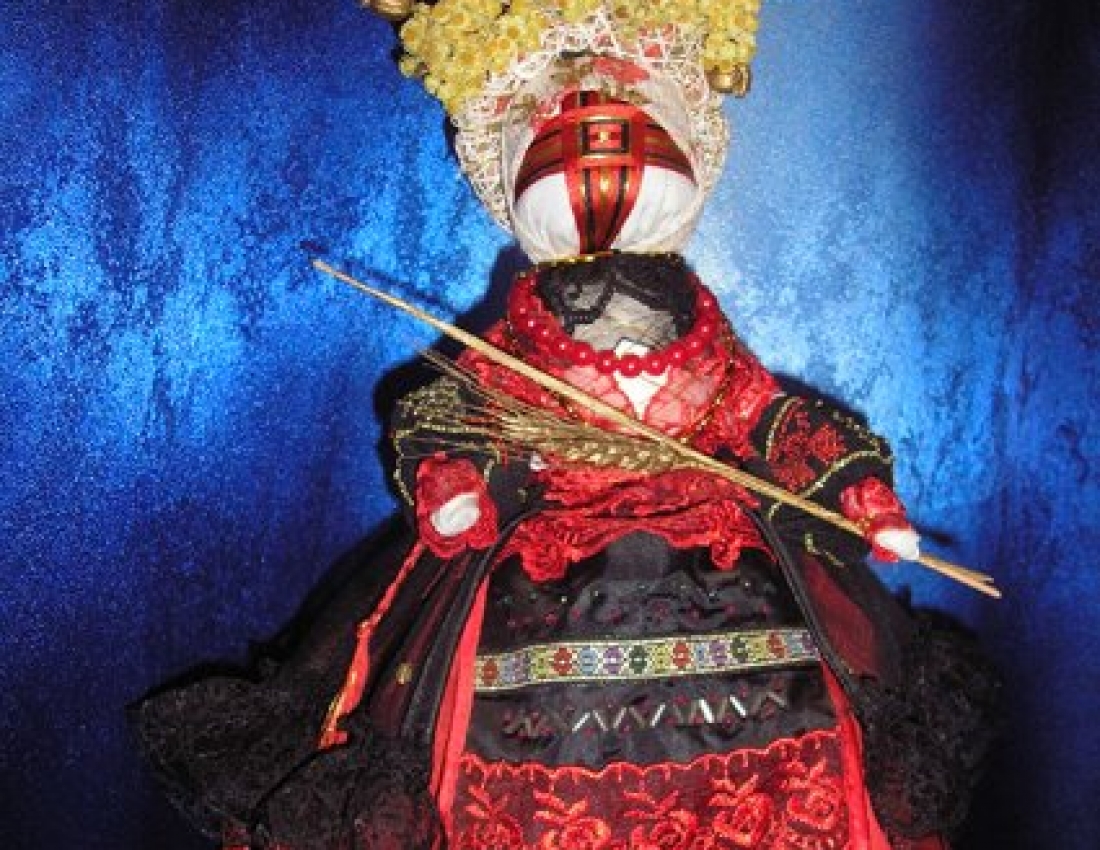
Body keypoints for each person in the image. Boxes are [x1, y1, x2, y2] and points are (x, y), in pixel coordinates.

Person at [132, 5, 998, 849]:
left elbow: (767, 415)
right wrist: (457, 479)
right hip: (542, 559)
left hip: (726, 554)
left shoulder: (701, 332)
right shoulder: (522, 341)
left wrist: (857, 494)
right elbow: (458, 409)